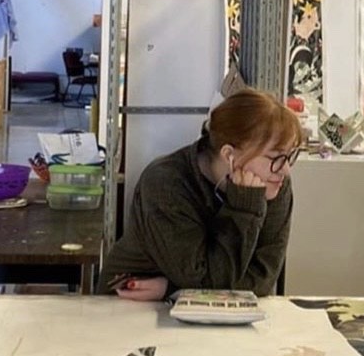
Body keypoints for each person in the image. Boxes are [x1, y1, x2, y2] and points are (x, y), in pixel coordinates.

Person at [97, 87, 302, 301]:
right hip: (130, 307)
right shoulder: (165, 183)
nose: (285, 170)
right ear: (229, 155)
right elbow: (206, 282)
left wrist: (169, 288)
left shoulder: (274, 184)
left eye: (289, 156)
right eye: (275, 158)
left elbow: (263, 278)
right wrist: (244, 207)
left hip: (202, 308)